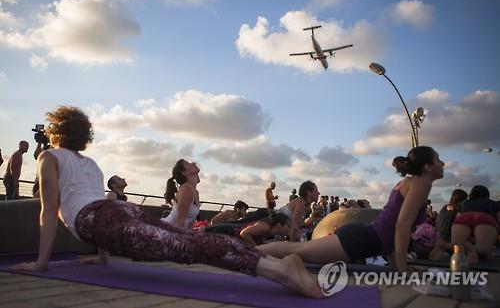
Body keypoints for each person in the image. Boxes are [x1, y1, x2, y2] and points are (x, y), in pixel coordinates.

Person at [12, 106, 322, 299]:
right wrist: (103, 256)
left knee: (185, 247)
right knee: (186, 239)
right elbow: (98, 204)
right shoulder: (90, 163)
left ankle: (278, 271)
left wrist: (42, 262)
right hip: (117, 211)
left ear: (56, 131)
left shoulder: (48, 156)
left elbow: (49, 210)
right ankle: (277, 264)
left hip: (99, 219)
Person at [258, 146, 445, 273]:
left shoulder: (409, 182)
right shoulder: (422, 182)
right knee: (297, 250)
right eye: (439, 160)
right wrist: (404, 269)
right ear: (428, 167)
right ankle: (243, 251)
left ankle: (245, 251)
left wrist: (399, 267)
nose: (443, 164)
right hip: (359, 240)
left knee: (298, 249)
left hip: (362, 237)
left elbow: (391, 229)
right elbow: (402, 225)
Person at [451, 185, 500, 264]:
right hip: (484, 218)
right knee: (483, 250)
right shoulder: (493, 203)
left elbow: (457, 219)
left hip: (464, 217)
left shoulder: (464, 203)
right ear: (487, 195)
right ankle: (473, 249)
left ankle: (444, 245)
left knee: (456, 247)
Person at [161, 160, 202, 229]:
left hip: (178, 230)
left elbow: (191, 222)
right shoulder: (186, 190)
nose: (194, 163)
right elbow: (179, 223)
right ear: (184, 173)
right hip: (167, 228)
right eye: (188, 164)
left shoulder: (195, 192)